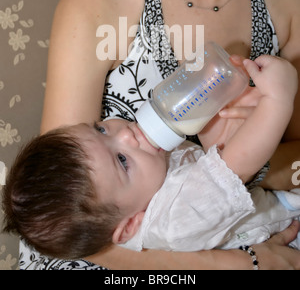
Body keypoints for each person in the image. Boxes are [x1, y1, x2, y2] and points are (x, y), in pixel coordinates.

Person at [22, 0, 300, 270]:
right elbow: (66, 222)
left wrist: (247, 152)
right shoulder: (99, 1)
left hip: (247, 224)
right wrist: (237, 264)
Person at [5, 55, 299, 265]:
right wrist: (277, 99)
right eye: (121, 160)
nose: (125, 135)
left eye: (101, 129)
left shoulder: (142, 186)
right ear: (132, 225)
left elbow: (215, 165)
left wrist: (215, 124)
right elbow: (239, 164)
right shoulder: (176, 220)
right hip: (282, 235)